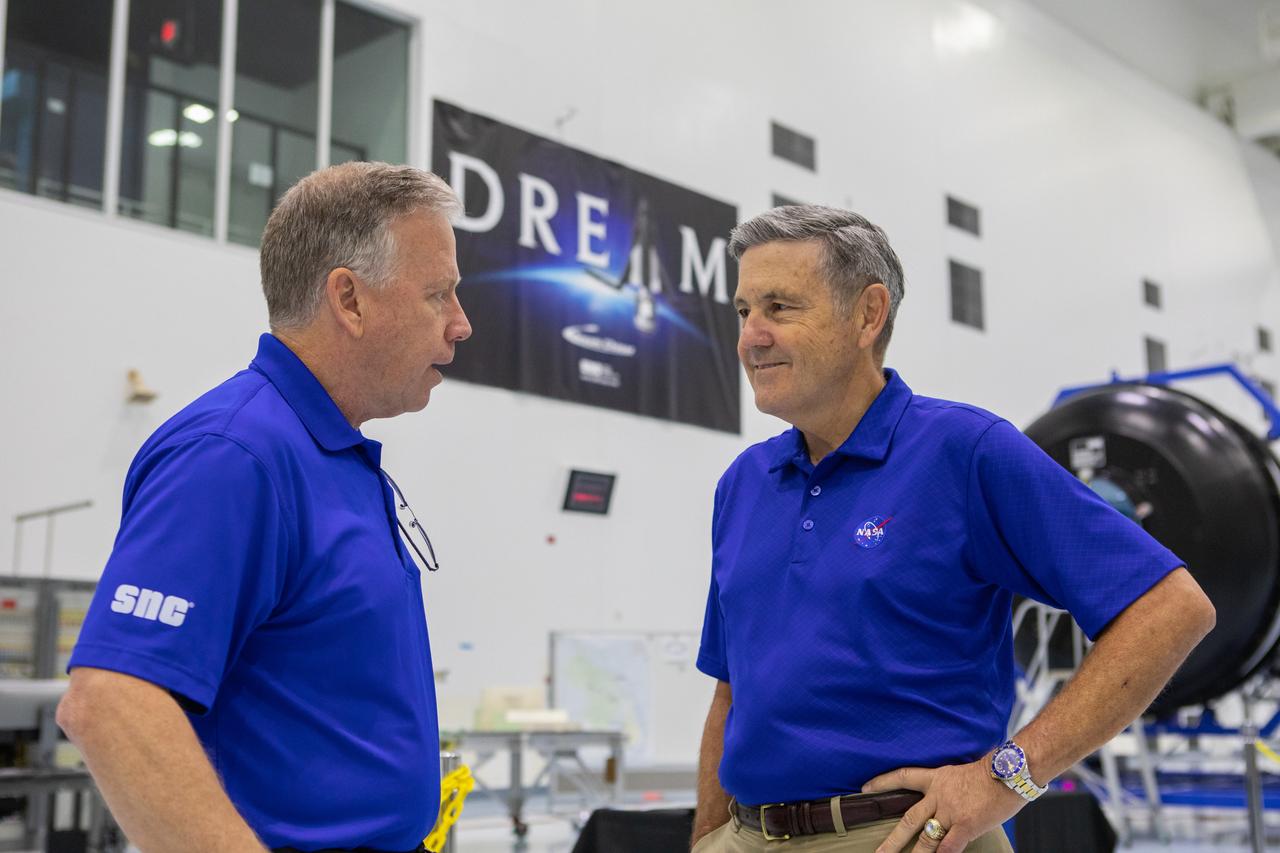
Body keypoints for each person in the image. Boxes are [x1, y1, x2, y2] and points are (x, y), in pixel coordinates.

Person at [690, 205, 1215, 853]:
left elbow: (1169, 607)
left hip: (902, 836)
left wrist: (1010, 775)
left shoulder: (966, 452)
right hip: (744, 835)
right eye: (744, 311)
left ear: (867, 314)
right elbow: (731, 688)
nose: (751, 336)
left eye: (779, 307)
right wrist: (707, 836)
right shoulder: (743, 483)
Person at [56, 162, 472, 853]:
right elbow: (110, 699)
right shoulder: (235, 455)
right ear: (350, 299)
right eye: (440, 295)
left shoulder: (332, 457)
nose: (461, 324)